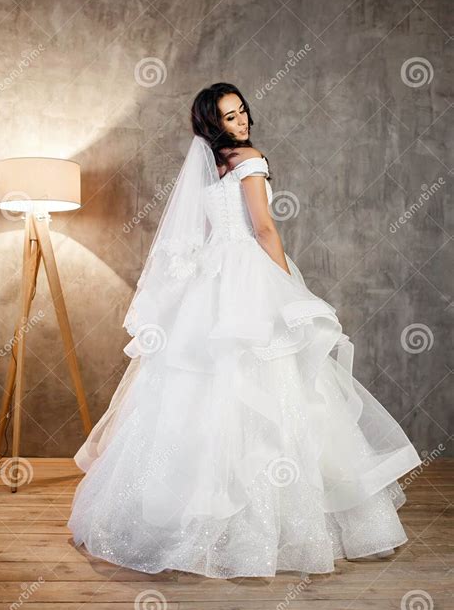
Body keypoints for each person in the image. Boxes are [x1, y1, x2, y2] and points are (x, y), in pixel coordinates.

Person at [68, 82, 422, 579]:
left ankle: (192, 522)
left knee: (199, 390)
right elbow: (264, 230)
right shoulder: (250, 160)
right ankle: (269, 532)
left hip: (211, 284)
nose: (242, 122)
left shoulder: (210, 169)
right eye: (230, 118)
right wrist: (285, 288)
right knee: (280, 387)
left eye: (243, 113)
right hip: (250, 278)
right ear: (215, 125)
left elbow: (204, 236)